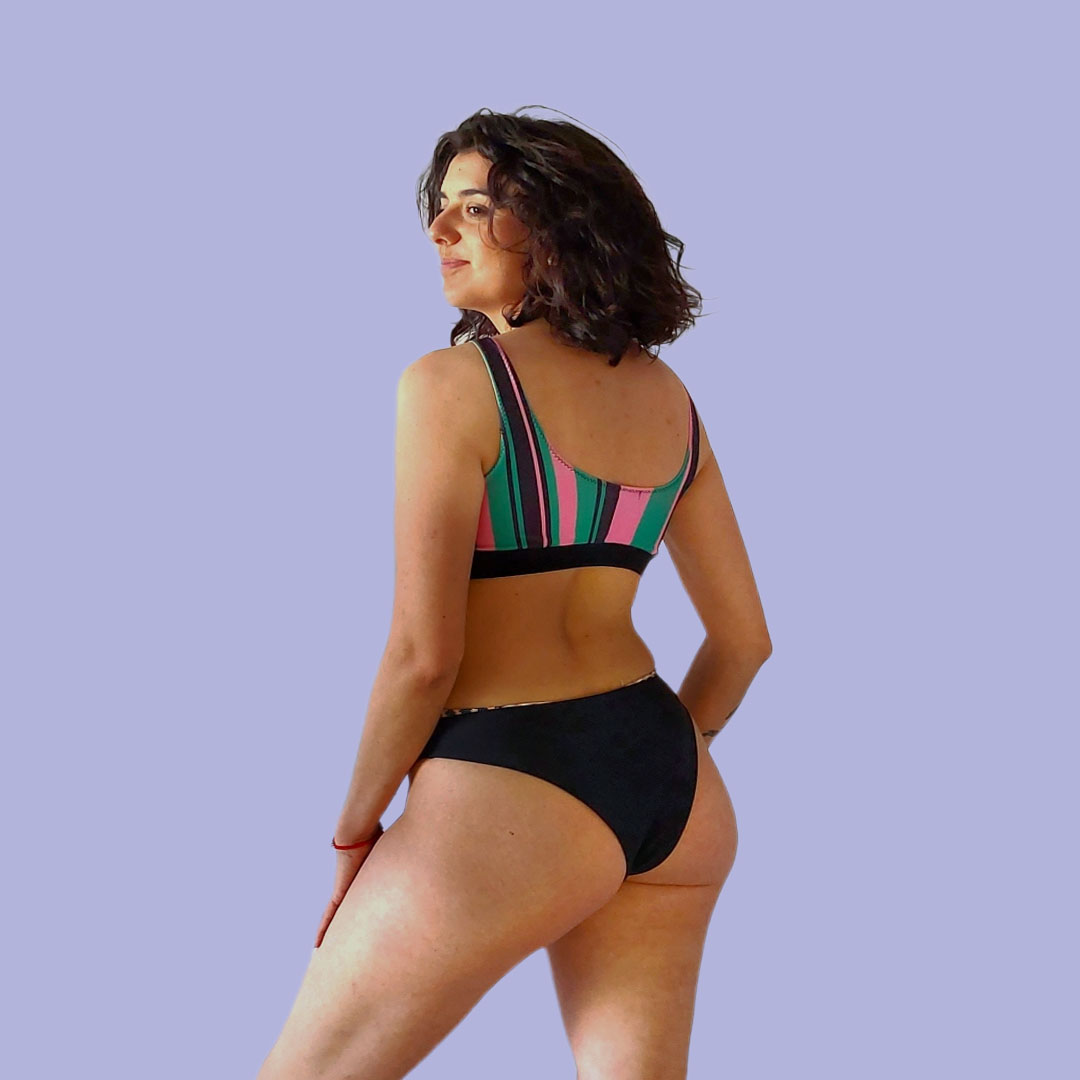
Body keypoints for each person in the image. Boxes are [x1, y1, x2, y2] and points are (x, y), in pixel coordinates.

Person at [256, 107, 771, 1080]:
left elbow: (424, 657)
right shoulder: (670, 400)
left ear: (558, 225)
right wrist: (649, 762)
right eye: (440, 208)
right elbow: (745, 642)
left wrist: (355, 831)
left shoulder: (453, 387)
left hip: (511, 776)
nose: (439, 231)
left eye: (475, 207)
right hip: (677, 793)